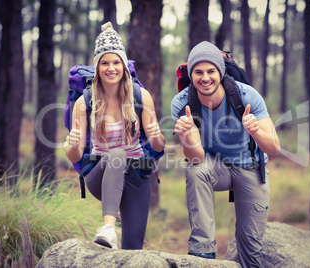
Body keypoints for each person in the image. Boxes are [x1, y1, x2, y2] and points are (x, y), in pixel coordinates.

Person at [171, 41, 280, 267]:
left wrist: (255, 130)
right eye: (198, 72)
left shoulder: (246, 96)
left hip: (250, 166)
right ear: (191, 74)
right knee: (196, 170)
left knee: (250, 250)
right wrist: (188, 135)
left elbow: (274, 148)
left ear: (220, 72)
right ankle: (203, 253)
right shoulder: (182, 104)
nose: (205, 77)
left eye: (211, 71)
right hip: (215, 166)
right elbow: (197, 159)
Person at [65, 22, 165, 250]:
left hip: (137, 175)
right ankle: (108, 228)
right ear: (98, 67)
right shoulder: (84, 102)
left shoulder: (142, 96)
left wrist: (158, 137)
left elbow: (158, 147)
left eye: (116, 62)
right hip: (99, 175)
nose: (111, 68)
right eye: (105, 63)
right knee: (117, 154)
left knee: (132, 249)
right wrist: (71, 144)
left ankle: (119, 242)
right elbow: (76, 154)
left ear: (124, 65)